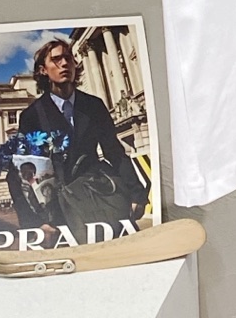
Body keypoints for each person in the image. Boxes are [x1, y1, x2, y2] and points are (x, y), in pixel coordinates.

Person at [18, 37, 146, 239]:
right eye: (56, 59)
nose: (64, 64)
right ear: (43, 70)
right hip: (59, 210)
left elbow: (114, 152)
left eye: (68, 58)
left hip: (101, 194)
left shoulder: (94, 105)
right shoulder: (32, 115)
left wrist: (137, 194)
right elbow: (21, 172)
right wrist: (35, 223)